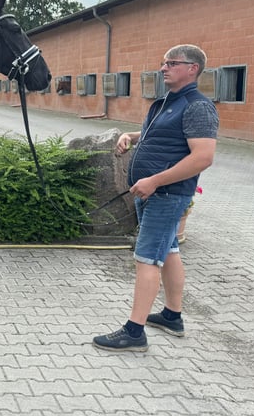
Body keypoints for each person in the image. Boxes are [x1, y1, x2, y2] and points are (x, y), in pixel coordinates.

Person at [93, 44, 219, 352]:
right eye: (163, 63)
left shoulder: (198, 106)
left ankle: (134, 332)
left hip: (167, 193)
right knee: (169, 250)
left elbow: (203, 157)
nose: (164, 68)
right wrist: (130, 136)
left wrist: (154, 181)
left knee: (146, 257)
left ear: (193, 69)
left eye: (172, 63)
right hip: (153, 193)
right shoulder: (166, 102)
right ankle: (172, 315)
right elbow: (157, 134)